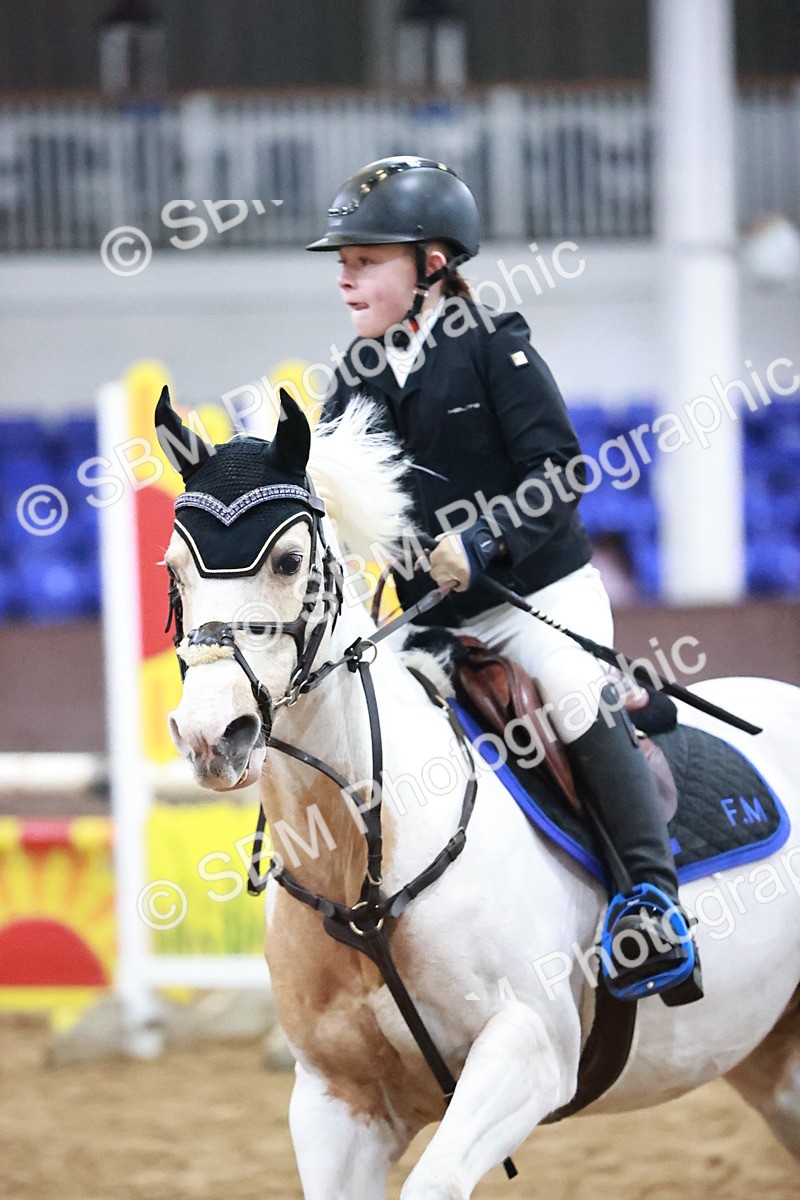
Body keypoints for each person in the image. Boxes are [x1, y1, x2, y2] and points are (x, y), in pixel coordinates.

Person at [307, 155, 702, 1005]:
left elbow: (561, 471)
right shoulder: (359, 373)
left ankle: (652, 901)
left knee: (568, 693)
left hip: (536, 599)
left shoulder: (495, 349)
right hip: (424, 615)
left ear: (434, 264)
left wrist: (480, 538)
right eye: (343, 262)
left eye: (366, 260)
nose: (345, 276)